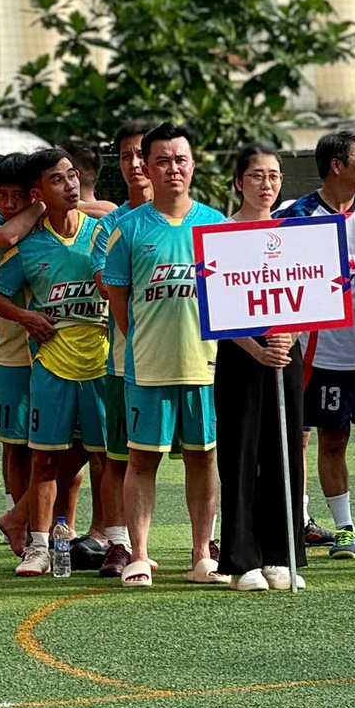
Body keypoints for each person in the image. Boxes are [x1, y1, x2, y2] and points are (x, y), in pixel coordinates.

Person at [98, 124, 224, 587]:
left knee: (204, 459)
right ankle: (139, 555)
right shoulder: (126, 229)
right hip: (147, 369)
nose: (174, 169)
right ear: (147, 168)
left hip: (204, 368)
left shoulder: (216, 225)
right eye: (164, 161)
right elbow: (118, 300)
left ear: (193, 165)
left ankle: (201, 556)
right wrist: (145, 346)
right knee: (140, 460)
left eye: (181, 160)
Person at [0, 148, 111, 578]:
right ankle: (38, 547)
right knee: (43, 459)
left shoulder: (102, 233)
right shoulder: (26, 244)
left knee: (105, 458)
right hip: (52, 366)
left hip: (102, 363)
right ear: (38, 193)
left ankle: (116, 540)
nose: (71, 185)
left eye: (72, 176)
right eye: (57, 180)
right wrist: (26, 316)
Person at [276, 130, 355, 561]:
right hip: (324, 356)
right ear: (337, 166)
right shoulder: (297, 216)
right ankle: (344, 528)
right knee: (331, 442)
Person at [213, 146, 305, 592]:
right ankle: (240, 560)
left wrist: (292, 335)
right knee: (240, 456)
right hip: (240, 356)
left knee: (284, 453)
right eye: (255, 176)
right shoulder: (222, 233)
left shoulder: (293, 233)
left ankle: (281, 554)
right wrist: (252, 347)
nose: (265, 185)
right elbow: (217, 303)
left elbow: (313, 292)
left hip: (285, 354)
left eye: (273, 176)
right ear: (238, 182)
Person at [78, 124, 151, 577]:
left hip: (191, 359)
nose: (136, 163)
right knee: (119, 456)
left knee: (202, 455)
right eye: (126, 156)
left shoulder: (201, 220)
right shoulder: (110, 226)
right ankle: (119, 543)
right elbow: (108, 285)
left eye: (143, 154)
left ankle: (204, 544)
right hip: (126, 359)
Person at [0, 153, 41, 554]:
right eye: (2, 195)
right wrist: (39, 206)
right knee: (16, 445)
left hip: (56, 348)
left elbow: (102, 209)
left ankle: (56, 526)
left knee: (58, 446)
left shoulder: (47, 215)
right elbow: (3, 238)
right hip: (11, 351)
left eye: (19, 196)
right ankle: (20, 519)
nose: (9, 204)